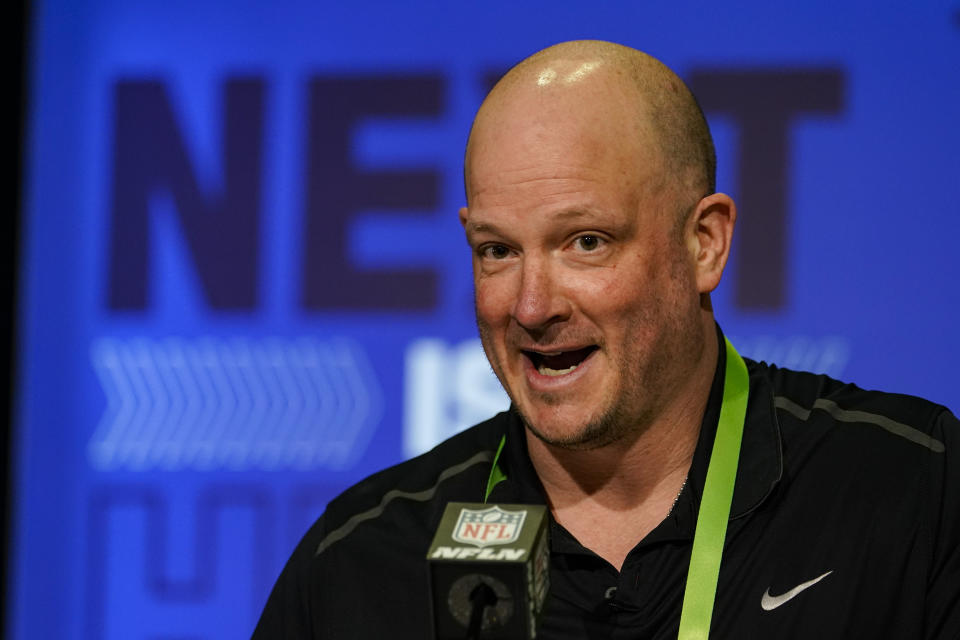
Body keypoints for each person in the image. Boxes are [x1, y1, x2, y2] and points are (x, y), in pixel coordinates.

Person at [252, 40, 959, 638]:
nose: (531, 306)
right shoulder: (356, 563)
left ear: (704, 245)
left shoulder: (911, 491)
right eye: (497, 250)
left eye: (585, 242)